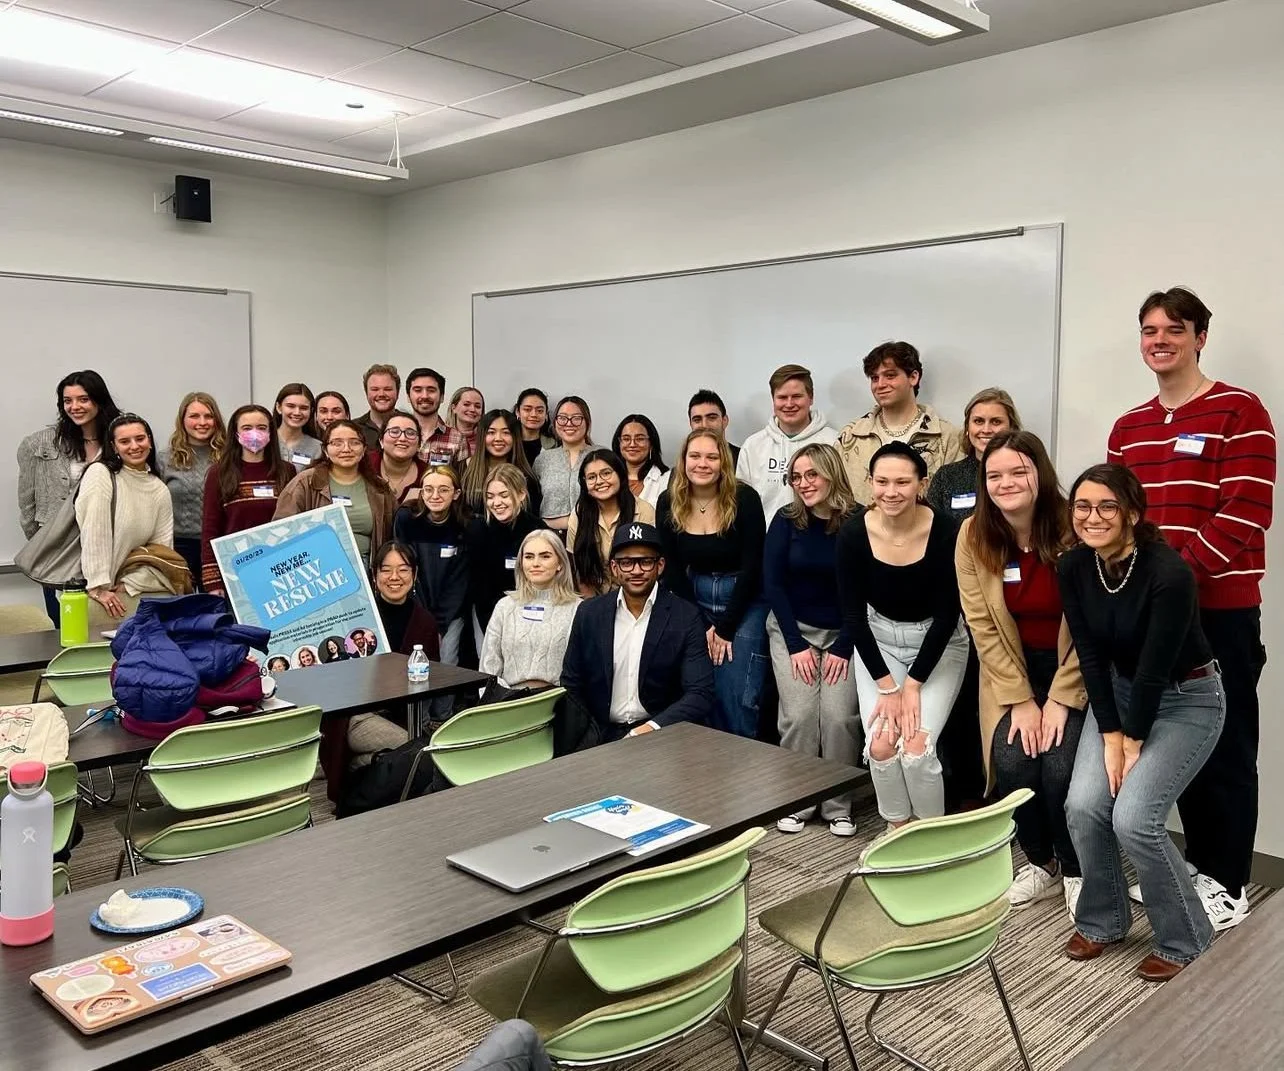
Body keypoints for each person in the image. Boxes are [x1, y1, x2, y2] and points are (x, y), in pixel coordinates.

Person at [1107, 287, 1273, 932]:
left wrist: (1168, 586)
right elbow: (1116, 521)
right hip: (1149, 616)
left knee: (1226, 749)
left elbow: (1245, 516)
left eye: (1174, 330)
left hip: (1219, 615)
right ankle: (1188, 867)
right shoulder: (1128, 427)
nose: (1160, 340)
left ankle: (1225, 880)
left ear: (1200, 336)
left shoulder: (1241, 411)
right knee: (1169, 747)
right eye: (1149, 330)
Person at [1060, 464, 1225, 982]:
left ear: (1132, 513)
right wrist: (1111, 734)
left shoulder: (1168, 572)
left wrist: (1129, 744)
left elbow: (1156, 668)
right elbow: (1089, 655)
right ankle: (1104, 920)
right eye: (1082, 506)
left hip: (1187, 699)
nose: (1093, 517)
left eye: (1107, 507)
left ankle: (1186, 937)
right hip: (1117, 692)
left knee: (1134, 818)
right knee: (1084, 805)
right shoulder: (1074, 567)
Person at [956, 430, 1087, 919]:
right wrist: (1021, 699)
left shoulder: (1075, 526)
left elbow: (1094, 627)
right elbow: (982, 625)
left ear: (1040, 472)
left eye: (1019, 471)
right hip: (1011, 672)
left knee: (1058, 769)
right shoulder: (973, 534)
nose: (1006, 482)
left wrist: (1060, 697)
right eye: (994, 475)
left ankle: (1076, 870)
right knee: (1013, 764)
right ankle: (1042, 863)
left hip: (1074, 671)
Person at [837, 441, 969, 829]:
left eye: (901, 482)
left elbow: (948, 616)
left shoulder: (947, 530)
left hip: (938, 645)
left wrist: (912, 685)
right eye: (881, 482)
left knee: (915, 746)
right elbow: (853, 617)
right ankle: (897, 829)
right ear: (870, 483)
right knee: (880, 744)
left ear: (921, 484)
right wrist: (889, 687)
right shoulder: (852, 534)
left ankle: (929, 834)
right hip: (879, 644)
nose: (890, 492)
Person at [764, 444, 860, 836]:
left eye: (811, 475)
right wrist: (795, 644)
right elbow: (773, 584)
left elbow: (865, 589)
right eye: (796, 477)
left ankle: (838, 804)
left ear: (831, 473)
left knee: (839, 718)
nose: (803, 484)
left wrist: (843, 645)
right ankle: (799, 800)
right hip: (794, 630)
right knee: (800, 715)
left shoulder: (858, 521)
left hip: (846, 634)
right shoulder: (786, 520)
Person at [656, 430, 768, 738]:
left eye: (711, 457)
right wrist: (701, 623)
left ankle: (741, 762)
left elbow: (753, 565)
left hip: (745, 599)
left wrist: (725, 629)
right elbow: (674, 570)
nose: (702, 464)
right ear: (683, 460)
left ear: (724, 463)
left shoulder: (744, 498)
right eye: (695, 456)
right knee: (697, 684)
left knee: (736, 690)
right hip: (694, 598)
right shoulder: (669, 502)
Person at [560, 522, 716, 741]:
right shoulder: (589, 614)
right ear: (614, 568)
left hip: (661, 734)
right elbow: (571, 683)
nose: (636, 570)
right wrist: (587, 734)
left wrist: (649, 729)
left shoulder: (685, 616)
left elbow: (700, 693)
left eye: (645, 561)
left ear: (660, 566)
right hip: (600, 736)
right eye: (626, 563)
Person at [329, 542, 441, 780]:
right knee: (412, 748)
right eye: (386, 569)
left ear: (415, 574)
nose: (394, 577)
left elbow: (431, 679)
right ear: (374, 575)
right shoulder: (356, 617)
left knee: (419, 752)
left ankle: (366, 761)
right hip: (356, 715)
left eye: (403, 569)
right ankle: (346, 764)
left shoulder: (425, 622)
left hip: (401, 713)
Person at [17, 369, 121, 622]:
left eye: (83, 399)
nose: (74, 406)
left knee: (103, 623)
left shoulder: (119, 440)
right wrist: (47, 540)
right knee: (63, 625)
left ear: (99, 400)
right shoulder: (39, 444)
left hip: (105, 549)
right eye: (67, 401)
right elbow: (27, 506)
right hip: (58, 552)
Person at [75, 413, 178, 627]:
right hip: (95, 596)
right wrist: (98, 587)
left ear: (149, 440)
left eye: (140, 438)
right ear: (113, 446)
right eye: (124, 441)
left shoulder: (159, 489)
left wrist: (128, 585)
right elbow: (94, 534)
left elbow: (162, 553)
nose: (134, 446)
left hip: (128, 596)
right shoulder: (100, 474)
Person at [836, 341, 965, 504]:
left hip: (928, 527)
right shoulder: (850, 436)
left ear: (913, 377)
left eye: (890, 375)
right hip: (862, 528)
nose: (880, 385)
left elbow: (956, 499)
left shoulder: (947, 437)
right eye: (875, 378)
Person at [200, 404, 296, 596]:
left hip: (281, 571)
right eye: (247, 428)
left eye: (261, 428)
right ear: (235, 433)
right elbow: (210, 528)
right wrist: (213, 581)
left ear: (271, 432)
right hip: (237, 573)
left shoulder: (287, 472)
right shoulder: (219, 473)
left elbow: (295, 524)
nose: (255, 434)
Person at [274, 419, 395, 566]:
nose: (346, 449)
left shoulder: (379, 488)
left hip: (366, 568)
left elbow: (392, 537)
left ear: (364, 450)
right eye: (337, 443)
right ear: (325, 450)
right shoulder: (306, 482)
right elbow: (281, 530)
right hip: (318, 569)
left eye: (354, 442)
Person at [394, 465, 470, 678]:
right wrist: (425, 619)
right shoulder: (407, 518)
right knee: (413, 664)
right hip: (416, 606)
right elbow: (405, 569)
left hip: (451, 612)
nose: (435, 496)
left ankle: (446, 712)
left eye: (443, 490)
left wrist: (440, 625)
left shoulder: (465, 523)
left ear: (456, 494)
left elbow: (459, 581)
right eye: (428, 489)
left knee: (446, 663)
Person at [736, 364, 839, 519]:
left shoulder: (834, 442)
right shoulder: (752, 446)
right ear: (773, 400)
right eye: (782, 397)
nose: (789, 404)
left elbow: (842, 496)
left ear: (810, 398)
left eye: (797, 396)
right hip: (766, 539)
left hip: (821, 536)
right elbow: (742, 502)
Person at [481, 530, 580, 690]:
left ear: (560, 563)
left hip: (559, 703)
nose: (535, 563)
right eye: (529, 557)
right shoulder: (505, 607)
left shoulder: (578, 609)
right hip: (508, 702)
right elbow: (488, 667)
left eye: (545, 556)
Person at [467, 463, 547, 639]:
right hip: (487, 616)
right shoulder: (476, 530)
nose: (496, 503)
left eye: (504, 495)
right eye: (490, 496)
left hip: (530, 615)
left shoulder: (537, 530)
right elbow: (477, 585)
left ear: (521, 494)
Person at [159, 391, 225, 592]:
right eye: (194, 416)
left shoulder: (229, 457)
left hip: (218, 545)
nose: (202, 422)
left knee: (217, 610)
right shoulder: (165, 458)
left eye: (208, 416)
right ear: (182, 420)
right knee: (183, 610)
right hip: (179, 547)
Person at [927, 387, 1022, 525]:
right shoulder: (946, 477)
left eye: (996, 422)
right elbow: (930, 528)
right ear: (967, 428)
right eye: (978, 421)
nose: (986, 430)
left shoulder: (1025, 473)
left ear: (1012, 427)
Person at [568, 449, 655, 596]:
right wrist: (594, 607)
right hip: (594, 597)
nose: (600, 481)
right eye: (591, 477)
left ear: (620, 475)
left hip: (636, 596)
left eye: (606, 473)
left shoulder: (644, 511)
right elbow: (580, 570)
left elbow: (648, 568)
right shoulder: (579, 514)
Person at [461, 410, 543, 516]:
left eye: (506, 432)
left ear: (515, 437)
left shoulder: (527, 477)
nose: (498, 438)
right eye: (491, 432)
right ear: (482, 436)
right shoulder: (464, 469)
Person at [533, 396, 593, 533]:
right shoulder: (543, 460)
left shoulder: (600, 456)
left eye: (577, 418)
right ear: (554, 422)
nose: (569, 423)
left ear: (587, 422)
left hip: (591, 535)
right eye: (562, 418)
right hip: (549, 537)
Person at [405, 366, 464, 465]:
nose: (424, 396)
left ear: (442, 397)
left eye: (431, 390)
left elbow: (463, 480)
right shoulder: (396, 436)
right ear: (408, 397)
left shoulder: (458, 440)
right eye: (418, 390)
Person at [612, 414, 669, 507]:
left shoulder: (666, 479)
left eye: (640, 439)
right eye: (626, 439)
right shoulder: (608, 477)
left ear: (651, 443)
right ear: (619, 443)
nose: (632, 444)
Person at [371, 410, 427, 505]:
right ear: (381, 441)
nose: (402, 438)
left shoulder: (428, 474)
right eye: (394, 432)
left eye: (410, 433)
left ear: (419, 445)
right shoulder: (364, 466)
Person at [274, 382, 322, 469]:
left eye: (303, 408)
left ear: (311, 411)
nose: (297, 412)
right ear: (279, 407)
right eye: (291, 406)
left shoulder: (318, 448)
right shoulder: (265, 441)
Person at [354, 363, 401, 450]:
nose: (381, 394)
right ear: (366, 393)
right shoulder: (353, 428)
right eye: (375, 389)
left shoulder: (410, 427)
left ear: (397, 393)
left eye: (388, 389)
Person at [688, 389, 740, 465]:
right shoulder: (683, 461)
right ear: (691, 424)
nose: (704, 425)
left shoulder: (743, 458)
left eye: (712, 418)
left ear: (724, 420)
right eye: (697, 420)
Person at [514, 388, 557, 465]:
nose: (534, 414)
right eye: (527, 409)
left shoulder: (554, 445)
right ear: (517, 412)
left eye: (539, 411)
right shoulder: (508, 443)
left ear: (546, 414)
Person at [446, 386, 485, 462]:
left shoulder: (486, 439)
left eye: (477, 406)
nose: (472, 409)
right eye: (466, 404)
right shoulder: (441, 436)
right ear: (454, 408)